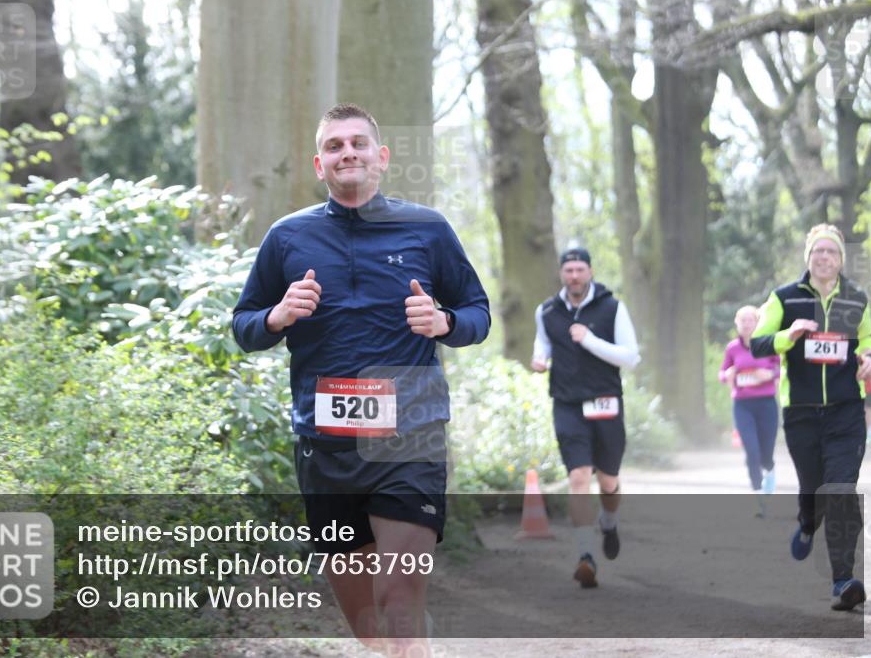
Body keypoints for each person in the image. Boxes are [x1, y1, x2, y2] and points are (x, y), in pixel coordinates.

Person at [233, 103, 490, 655]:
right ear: (318, 165)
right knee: (370, 625)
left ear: (381, 157)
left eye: (358, 143)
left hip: (410, 436)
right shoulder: (287, 238)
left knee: (398, 600)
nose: (347, 152)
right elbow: (244, 327)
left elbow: (478, 314)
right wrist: (276, 316)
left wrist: (445, 322)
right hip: (326, 446)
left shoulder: (427, 228)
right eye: (334, 146)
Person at [751, 223, 871, 611]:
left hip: (846, 412)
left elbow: (869, 339)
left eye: (831, 252)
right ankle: (807, 522)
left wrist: (870, 358)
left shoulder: (856, 298)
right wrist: (787, 335)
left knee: (840, 490)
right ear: (808, 258)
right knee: (814, 489)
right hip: (802, 413)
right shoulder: (784, 298)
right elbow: (756, 343)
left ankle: (843, 580)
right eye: (817, 251)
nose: (824, 257)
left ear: (841, 259)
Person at [531, 247, 640, 588]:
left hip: (606, 403)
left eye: (580, 269)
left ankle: (609, 521)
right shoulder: (546, 310)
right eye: (568, 270)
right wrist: (539, 358)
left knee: (608, 480)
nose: (574, 276)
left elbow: (631, 358)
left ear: (590, 271)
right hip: (566, 404)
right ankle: (585, 556)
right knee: (578, 476)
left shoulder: (612, 307)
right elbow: (543, 343)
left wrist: (589, 339)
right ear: (562, 274)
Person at [719, 305, 781, 514]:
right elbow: (722, 374)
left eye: (750, 320)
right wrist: (727, 374)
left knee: (765, 454)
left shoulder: (768, 344)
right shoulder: (732, 349)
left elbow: (781, 368)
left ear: (757, 323)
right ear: (737, 323)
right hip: (743, 405)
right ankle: (758, 495)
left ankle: (770, 470)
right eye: (742, 321)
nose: (746, 324)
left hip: (766, 404)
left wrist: (770, 374)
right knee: (751, 451)